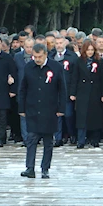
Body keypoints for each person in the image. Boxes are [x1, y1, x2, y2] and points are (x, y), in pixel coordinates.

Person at [18, 43, 65, 179]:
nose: (37, 59)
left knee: (48, 141)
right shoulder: (29, 67)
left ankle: (45, 168)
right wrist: (21, 108)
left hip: (50, 109)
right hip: (32, 108)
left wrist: (61, 108)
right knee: (31, 139)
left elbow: (62, 89)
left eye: (39, 56)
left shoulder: (56, 67)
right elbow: (23, 89)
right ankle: (30, 168)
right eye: (35, 56)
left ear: (45, 54)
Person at [69, 40, 103, 148]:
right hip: (82, 92)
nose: (90, 52)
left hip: (95, 92)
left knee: (95, 116)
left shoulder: (99, 61)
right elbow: (75, 78)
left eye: (92, 50)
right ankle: (81, 140)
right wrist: (73, 93)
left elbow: (102, 78)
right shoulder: (79, 61)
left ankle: (95, 139)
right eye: (88, 50)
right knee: (81, 117)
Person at [52, 35, 78, 146]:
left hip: (67, 92)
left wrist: (73, 92)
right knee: (57, 116)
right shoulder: (51, 56)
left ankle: (72, 134)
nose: (59, 45)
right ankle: (58, 138)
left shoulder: (72, 57)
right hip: (54, 92)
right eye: (56, 43)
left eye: (60, 43)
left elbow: (75, 76)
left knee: (68, 115)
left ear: (65, 44)